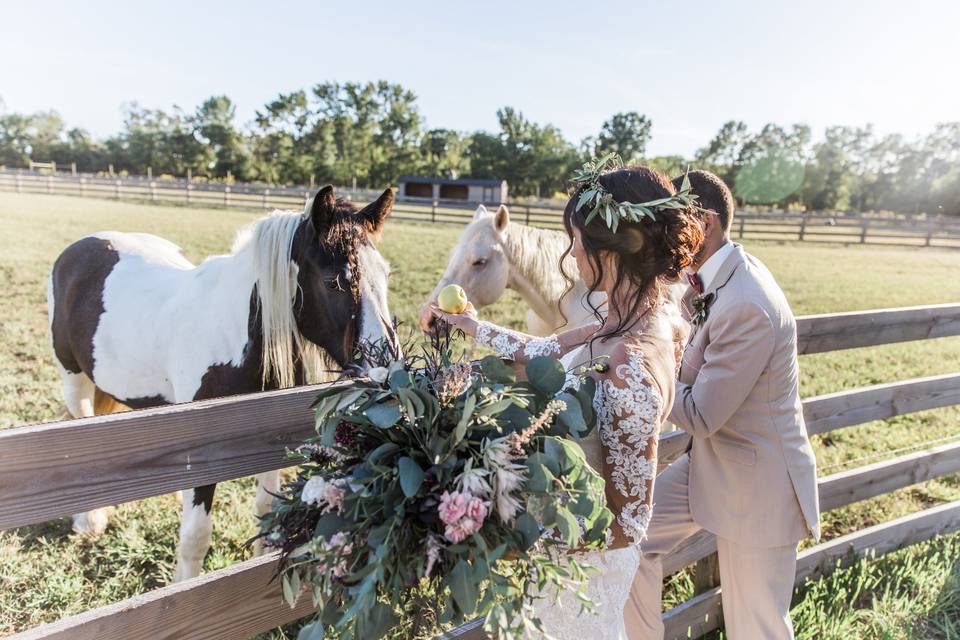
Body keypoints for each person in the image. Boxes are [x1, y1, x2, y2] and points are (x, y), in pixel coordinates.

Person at [426, 161, 703, 639]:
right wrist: (473, 328)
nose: (571, 252)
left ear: (613, 251)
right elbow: (541, 352)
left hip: (584, 585)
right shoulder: (616, 323)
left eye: (578, 240)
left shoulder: (632, 362)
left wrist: (505, 532)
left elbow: (627, 521)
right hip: (560, 567)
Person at [626, 170, 820, 639]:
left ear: (704, 225)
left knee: (756, 627)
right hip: (712, 467)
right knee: (628, 542)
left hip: (758, 486)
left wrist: (640, 367)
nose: (662, 236)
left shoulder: (747, 303)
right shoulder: (721, 274)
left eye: (671, 224)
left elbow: (700, 414)